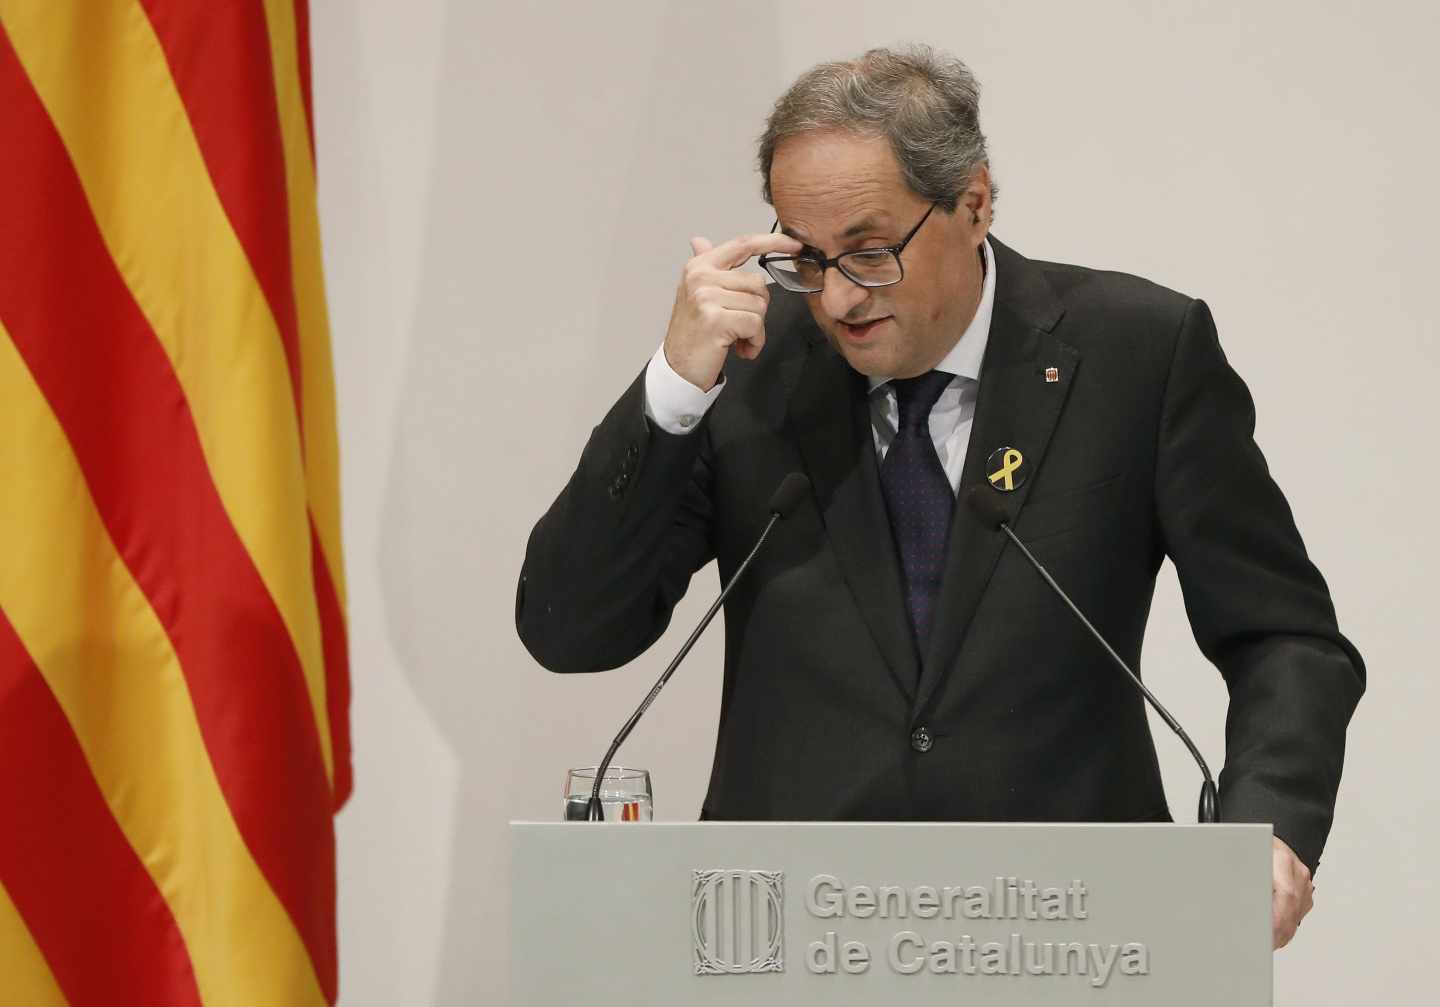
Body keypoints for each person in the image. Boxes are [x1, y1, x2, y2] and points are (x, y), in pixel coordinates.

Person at [515, 44, 1364, 951]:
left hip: (1078, 939)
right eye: (805, 257)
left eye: (871, 252)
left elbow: (1284, 635)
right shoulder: (750, 373)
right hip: (789, 945)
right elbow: (573, 630)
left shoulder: (1139, 355)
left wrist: (1266, 826)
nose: (837, 296)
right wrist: (674, 390)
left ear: (974, 202)